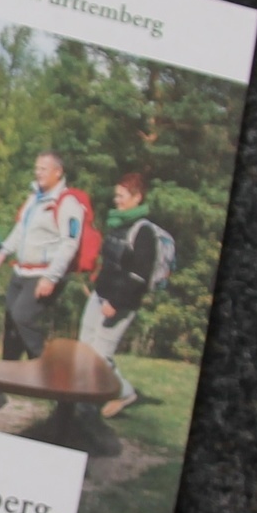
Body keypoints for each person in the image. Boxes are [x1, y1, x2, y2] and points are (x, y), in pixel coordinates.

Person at [79, 172, 157, 417]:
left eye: (121, 196)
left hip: (120, 303)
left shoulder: (144, 232)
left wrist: (116, 302)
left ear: (137, 197)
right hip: (99, 295)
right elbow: (110, 262)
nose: (116, 200)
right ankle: (88, 399)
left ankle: (124, 392)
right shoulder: (118, 223)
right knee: (85, 350)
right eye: (116, 195)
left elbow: (139, 276)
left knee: (100, 356)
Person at [0, 151, 86, 359]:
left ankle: (44, 364)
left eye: (43, 169)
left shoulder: (67, 203)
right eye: (36, 168)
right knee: (11, 324)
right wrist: (3, 252)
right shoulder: (34, 198)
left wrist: (51, 277)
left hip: (43, 273)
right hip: (21, 271)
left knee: (23, 316)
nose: (38, 173)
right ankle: (8, 372)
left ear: (58, 172)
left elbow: (69, 244)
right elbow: (20, 229)